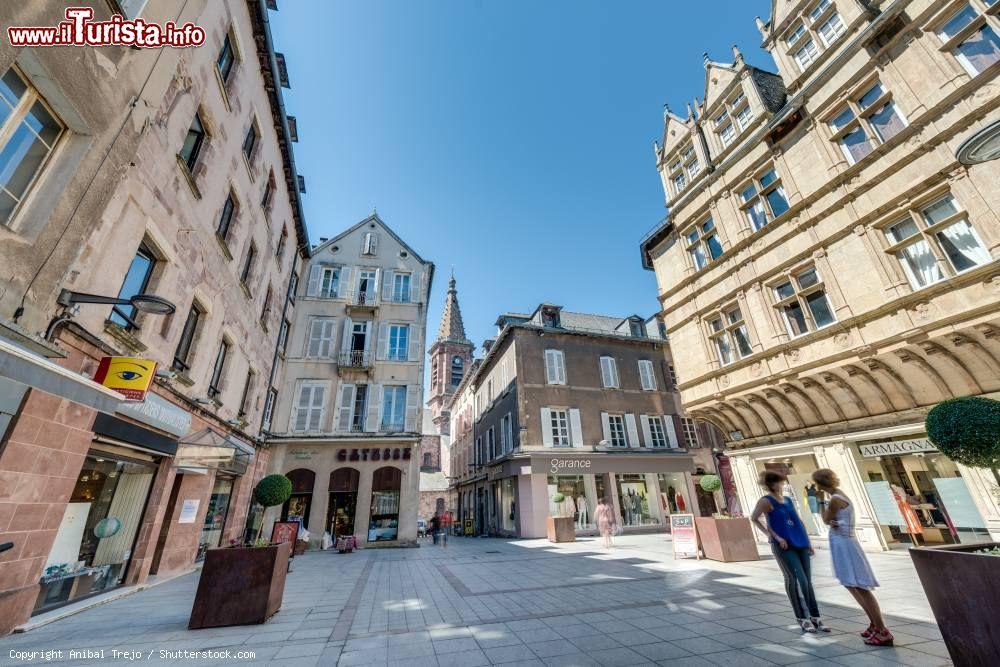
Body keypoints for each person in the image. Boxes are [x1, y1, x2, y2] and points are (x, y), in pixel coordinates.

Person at [812, 469, 893, 646]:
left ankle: (882, 630)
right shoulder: (841, 495)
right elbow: (835, 519)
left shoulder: (834, 499)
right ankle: (874, 624)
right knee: (852, 584)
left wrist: (819, 501)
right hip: (845, 541)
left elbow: (825, 519)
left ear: (820, 484)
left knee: (860, 586)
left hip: (844, 544)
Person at [750, 470, 830, 634]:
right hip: (783, 545)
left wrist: (808, 541)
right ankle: (802, 618)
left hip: (799, 542)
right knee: (794, 578)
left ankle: (815, 616)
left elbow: (797, 520)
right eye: (780, 481)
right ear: (772, 484)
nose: (783, 484)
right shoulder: (766, 501)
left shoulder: (787, 499)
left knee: (807, 580)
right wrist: (773, 536)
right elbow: (754, 518)